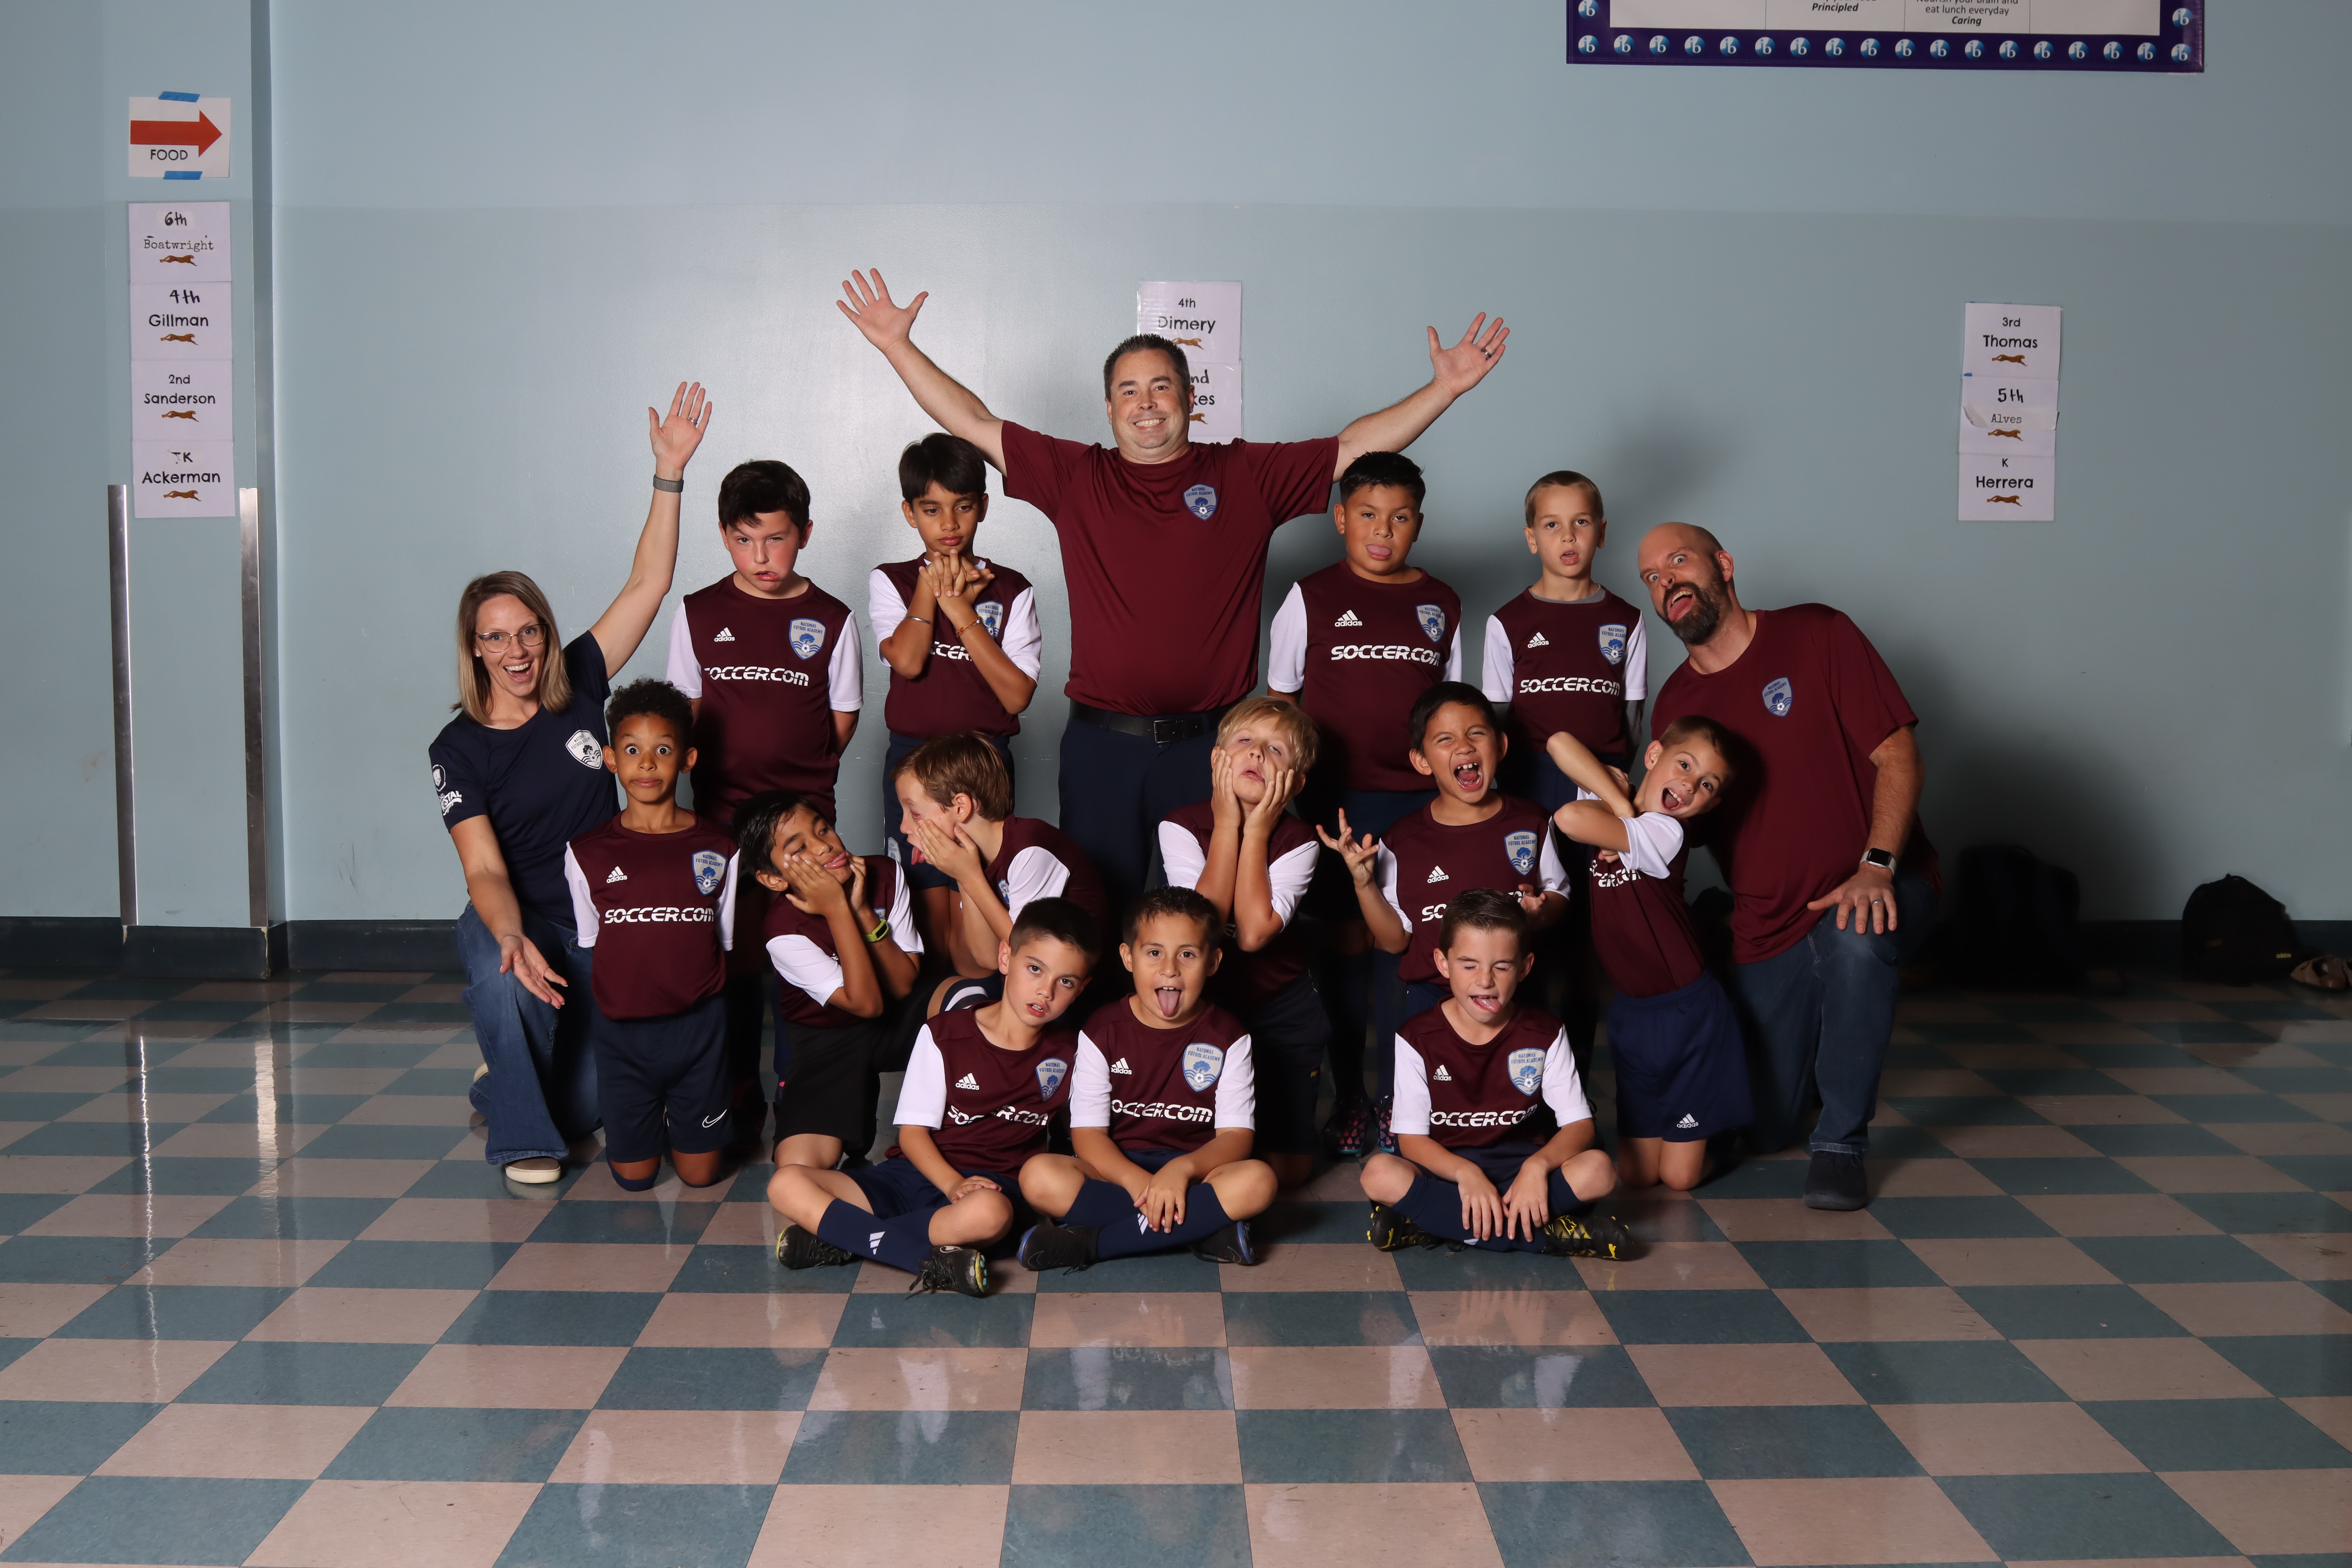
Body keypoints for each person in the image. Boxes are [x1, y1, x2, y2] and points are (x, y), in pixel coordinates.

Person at [836, 266, 1511, 914]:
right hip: (1103, 745)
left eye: (1161, 386)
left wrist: (1444, 389)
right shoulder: (1076, 476)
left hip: (1211, 745)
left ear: (1191, 397)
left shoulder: (1246, 475)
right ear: (1109, 408)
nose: (1146, 403)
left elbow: (1352, 446)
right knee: (1096, 908)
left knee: (1206, 917)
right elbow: (973, 421)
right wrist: (898, 347)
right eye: (1129, 390)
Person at [432, 382, 711, 1183]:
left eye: (528, 631)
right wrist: (509, 935)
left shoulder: (580, 682)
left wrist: (669, 473)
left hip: (600, 923)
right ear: (475, 648)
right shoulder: (458, 748)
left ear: (546, 634)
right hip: (520, 914)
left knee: (593, 1108)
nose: (516, 651)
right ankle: (522, 1136)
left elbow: (648, 583)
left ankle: (509, 1073)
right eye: (496, 638)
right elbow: (484, 869)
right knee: (506, 980)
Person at [1639, 523, 1936, 1211]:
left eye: (1678, 561)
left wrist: (1877, 865)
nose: (1666, 580)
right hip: (1770, 918)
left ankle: (1841, 1145)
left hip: (1876, 879)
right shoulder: (1676, 705)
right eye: (1652, 577)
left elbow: (1899, 754)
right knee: (1764, 1128)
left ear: (1724, 565)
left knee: (1855, 937)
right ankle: (1797, 1059)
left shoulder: (1818, 634)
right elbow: (1671, 828)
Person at [667, 458, 866, 1156]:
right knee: (731, 968)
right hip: (720, 827)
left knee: (801, 968)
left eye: (776, 539)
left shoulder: (831, 619)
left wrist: (797, 791)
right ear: (725, 537)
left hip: (802, 833)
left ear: (804, 533)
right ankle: (734, 1108)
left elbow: (841, 721)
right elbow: (686, 717)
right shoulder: (698, 613)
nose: (762, 557)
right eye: (746, 541)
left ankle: (802, 1110)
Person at [1267, 450, 1458, 1158]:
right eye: (1369, 515)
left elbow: (1451, 715)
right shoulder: (1311, 595)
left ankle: (1397, 1101)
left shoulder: (1443, 603)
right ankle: (1349, 1096)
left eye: (1400, 517)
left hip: (1417, 810)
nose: (1384, 530)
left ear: (1418, 524)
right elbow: (1282, 702)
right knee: (1344, 948)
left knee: (1404, 951)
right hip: (1335, 807)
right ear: (1341, 518)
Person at [768, 898, 1101, 1297]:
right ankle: (922, 1259)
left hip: (992, 1189)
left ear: (1081, 990)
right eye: (1035, 969)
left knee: (990, 1214)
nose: (1045, 991)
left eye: (1066, 982)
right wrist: (952, 1184)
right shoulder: (945, 1033)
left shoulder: (1074, 1051)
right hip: (915, 1174)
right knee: (787, 1182)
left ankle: (845, 1237)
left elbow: (1082, 1136)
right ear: (1006, 956)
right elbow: (913, 1135)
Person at [1320, 683, 1568, 1149]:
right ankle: (1399, 1113)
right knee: (1421, 1136)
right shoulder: (1403, 839)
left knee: (1512, 1126)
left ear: (1501, 746)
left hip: (1510, 994)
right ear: (1421, 760)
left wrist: (1540, 913)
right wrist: (1363, 883)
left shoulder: (1532, 822)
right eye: (1445, 739)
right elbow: (1393, 940)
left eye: (1476, 733)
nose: (1465, 747)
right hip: (1430, 1001)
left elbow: (1558, 895)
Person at [1017, 887, 1274, 1271]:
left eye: (1187, 955)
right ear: (1128, 957)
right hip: (1116, 1172)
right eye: (1154, 953)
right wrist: (1141, 1184)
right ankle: (1202, 1229)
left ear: (1213, 962)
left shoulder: (1229, 1036)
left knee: (1259, 1181)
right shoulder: (1102, 1030)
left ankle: (1093, 1244)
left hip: (1196, 1174)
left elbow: (1236, 1138)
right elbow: (1088, 1137)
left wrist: (1181, 1171)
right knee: (1038, 1177)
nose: (1170, 969)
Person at [1360, 890, 1628, 1258]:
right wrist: (1466, 1174)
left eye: (1501, 966)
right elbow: (1412, 1142)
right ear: (1443, 963)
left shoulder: (1545, 1032)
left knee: (1599, 1170)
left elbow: (1580, 1127)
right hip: (1449, 1174)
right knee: (1378, 1174)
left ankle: (1431, 1223)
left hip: (1523, 1172)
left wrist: (1537, 1167)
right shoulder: (1415, 1037)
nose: (1485, 980)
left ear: (1525, 967)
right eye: (1469, 965)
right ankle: (1546, 1236)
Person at [1545, 722, 1751, 1192]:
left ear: (1710, 804)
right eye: (1685, 765)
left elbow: (1571, 818)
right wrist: (1618, 797)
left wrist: (1619, 806)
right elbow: (1559, 741)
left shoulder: (1666, 832)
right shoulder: (1626, 813)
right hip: (1633, 1012)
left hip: (1687, 1012)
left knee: (1678, 1178)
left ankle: (1721, 1136)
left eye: (1707, 785)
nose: (1689, 785)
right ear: (1654, 754)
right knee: (1638, 1176)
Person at [869, 434, 1042, 969]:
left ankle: (975, 991)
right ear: (910, 513)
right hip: (913, 761)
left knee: (979, 880)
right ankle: (935, 999)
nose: (949, 524)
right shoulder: (891, 580)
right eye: (932, 510)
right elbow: (907, 661)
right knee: (923, 889)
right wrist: (934, 588)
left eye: (963, 507)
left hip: (983, 761)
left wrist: (962, 613)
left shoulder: (1011, 588)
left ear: (983, 507)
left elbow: (1017, 695)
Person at [562, 680, 740, 1191]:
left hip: (698, 1032)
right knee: (635, 1180)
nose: (646, 763)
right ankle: (648, 1114)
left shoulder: (720, 846)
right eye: (632, 750)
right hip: (623, 1038)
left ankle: (683, 1113)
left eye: (662, 750)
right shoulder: (586, 852)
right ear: (610, 760)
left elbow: (724, 940)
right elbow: (593, 942)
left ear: (688, 759)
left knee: (700, 1176)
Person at [1156, 699, 1326, 1187]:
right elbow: (1200, 928)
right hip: (1204, 1005)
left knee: (1289, 1169)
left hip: (1280, 1006)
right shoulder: (1180, 824)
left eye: (1276, 750)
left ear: (1295, 783)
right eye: (1245, 741)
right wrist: (1227, 824)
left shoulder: (1300, 839)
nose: (1257, 753)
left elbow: (1251, 934)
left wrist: (1254, 831)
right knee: (1195, 1143)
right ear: (1218, 759)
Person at [737, 792, 923, 1172]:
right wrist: (838, 908)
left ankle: (952, 1140)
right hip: (827, 1039)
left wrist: (861, 910)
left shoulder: (885, 873)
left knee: (967, 997)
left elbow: (903, 984)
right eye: (800, 848)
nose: (824, 846)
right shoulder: (782, 931)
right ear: (774, 879)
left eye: (823, 830)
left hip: (898, 1019)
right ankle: (850, 1118)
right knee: (797, 1170)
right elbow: (865, 1003)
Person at [891, 734, 1108, 1013]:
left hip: (1072, 997)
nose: (903, 827)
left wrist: (969, 875)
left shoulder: (1031, 848)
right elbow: (988, 959)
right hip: (1029, 987)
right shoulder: (972, 861)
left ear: (961, 807)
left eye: (915, 814)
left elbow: (1029, 953)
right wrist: (964, 874)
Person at [1481, 471, 1646, 810]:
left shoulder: (1629, 619)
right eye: (1552, 525)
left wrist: (1614, 773)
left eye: (1581, 522)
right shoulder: (1507, 622)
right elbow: (1497, 717)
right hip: (1529, 777)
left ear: (1601, 533)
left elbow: (1632, 715)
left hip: (1604, 778)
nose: (1568, 536)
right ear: (1532, 538)